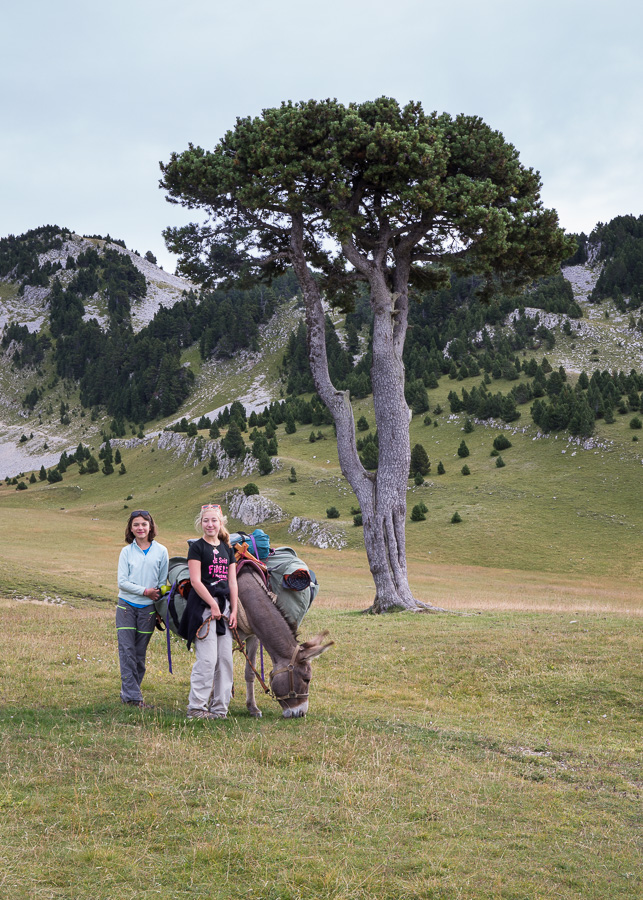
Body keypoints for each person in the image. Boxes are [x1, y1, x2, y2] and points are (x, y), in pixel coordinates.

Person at [185, 503, 238, 720]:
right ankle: (196, 707)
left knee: (225, 660)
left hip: (225, 608)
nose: (210, 524)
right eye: (206, 520)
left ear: (221, 523)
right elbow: (196, 581)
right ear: (201, 523)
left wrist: (234, 610)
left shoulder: (228, 549)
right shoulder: (197, 548)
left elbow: (232, 582)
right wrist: (213, 605)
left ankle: (220, 709)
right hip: (203, 608)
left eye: (214, 520)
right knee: (207, 660)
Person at [116, 509, 169, 708]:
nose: (140, 528)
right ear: (130, 528)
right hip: (126, 607)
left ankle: (130, 693)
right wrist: (145, 591)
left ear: (150, 526)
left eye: (144, 524)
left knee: (139, 653)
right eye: (136, 524)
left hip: (148, 610)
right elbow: (122, 583)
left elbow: (162, 583)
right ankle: (133, 698)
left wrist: (159, 608)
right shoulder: (126, 552)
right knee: (127, 650)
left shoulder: (161, 551)